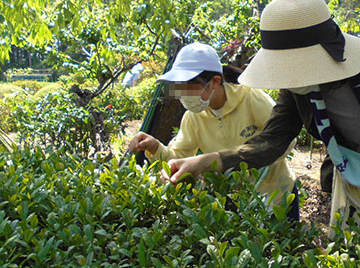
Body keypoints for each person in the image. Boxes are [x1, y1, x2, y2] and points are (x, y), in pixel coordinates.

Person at [162, 0, 360, 245]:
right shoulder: (299, 89)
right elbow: (269, 143)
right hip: (359, 192)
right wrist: (205, 162)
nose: (294, 78)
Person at [128, 42, 299, 220]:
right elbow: (180, 160)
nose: (182, 95)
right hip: (239, 204)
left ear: (215, 82)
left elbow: (285, 141)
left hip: (278, 195)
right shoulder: (193, 118)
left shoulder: (250, 99)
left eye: (188, 87)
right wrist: (155, 147)